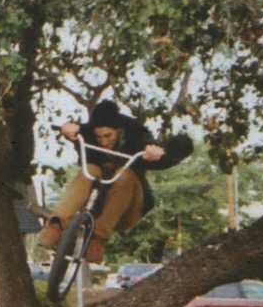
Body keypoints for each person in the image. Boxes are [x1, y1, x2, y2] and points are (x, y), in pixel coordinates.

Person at [38, 100, 193, 264]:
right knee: (90, 168)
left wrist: (159, 151)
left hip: (127, 209)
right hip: (96, 202)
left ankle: (98, 238)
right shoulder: (89, 133)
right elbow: (75, 130)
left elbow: (151, 144)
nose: (103, 142)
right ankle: (55, 225)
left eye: (108, 136)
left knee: (124, 174)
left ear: (118, 131)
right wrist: (67, 128)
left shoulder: (134, 133)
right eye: (99, 137)